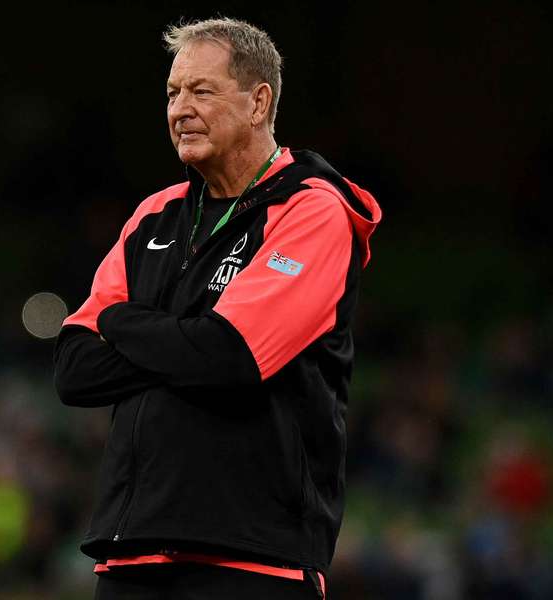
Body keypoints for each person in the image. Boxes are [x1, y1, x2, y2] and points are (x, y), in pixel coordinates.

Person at [54, 17, 382, 600]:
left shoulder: (312, 210)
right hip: (132, 551)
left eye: (202, 91)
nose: (180, 109)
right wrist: (188, 336)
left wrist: (122, 320)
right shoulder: (154, 215)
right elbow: (75, 369)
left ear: (259, 102)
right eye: (173, 93)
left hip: (254, 559)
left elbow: (231, 357)